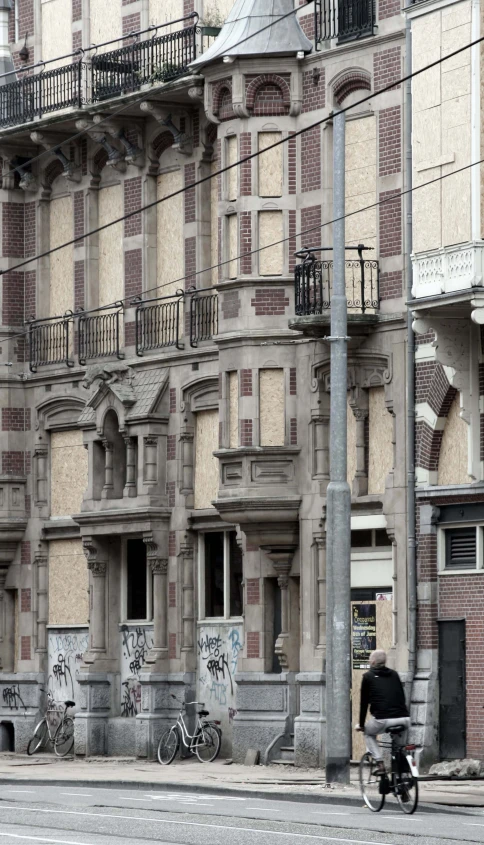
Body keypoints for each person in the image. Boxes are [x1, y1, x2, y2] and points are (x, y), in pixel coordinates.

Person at [355, 649, 410, 774]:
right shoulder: (395, 674)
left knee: (368, 734)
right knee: (400, 748)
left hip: (382, 719)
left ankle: (380, 764)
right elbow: (402, 697)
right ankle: (404, 779)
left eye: (369, 659)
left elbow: (364, 703)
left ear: (373, 662)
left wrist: (362, 725)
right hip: (404, 718)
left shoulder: (368, 677)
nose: (369, 661)